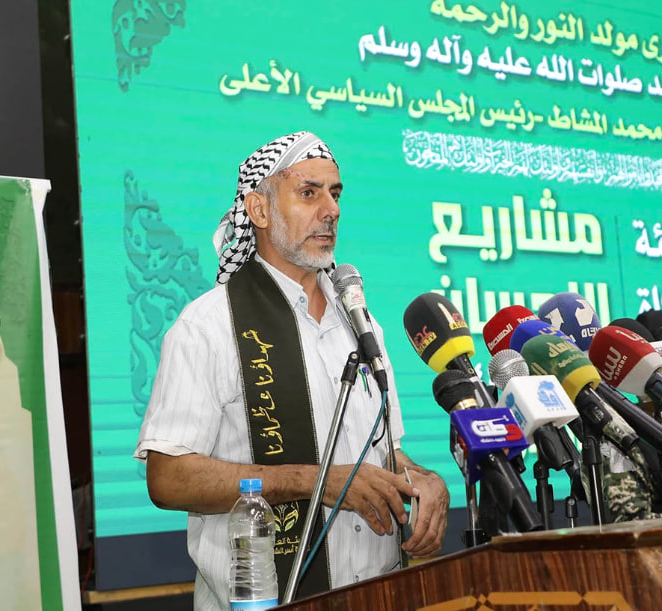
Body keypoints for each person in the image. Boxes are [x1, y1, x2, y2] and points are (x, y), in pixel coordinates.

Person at [135, 131, 449, 610]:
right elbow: (168, 478)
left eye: (335, 193)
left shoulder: (361, 324)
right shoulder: (209, 326)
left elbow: (382, 452)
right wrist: (313, 482)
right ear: (259, 210)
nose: (331, 210)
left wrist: (423, 480)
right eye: (309, 193)